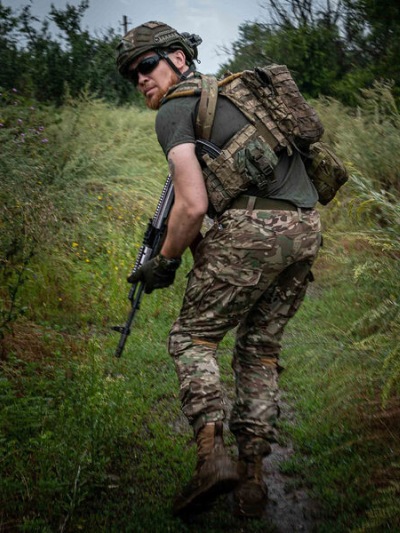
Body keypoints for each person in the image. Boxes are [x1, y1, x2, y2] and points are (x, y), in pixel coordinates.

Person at [115, 21, 321, 518]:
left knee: (192, 338)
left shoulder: (175, 109)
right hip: (307, 227)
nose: (141, 78)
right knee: (259, 348)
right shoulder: (235, 95)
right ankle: (252, 482)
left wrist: (163, 263)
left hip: (253, 228)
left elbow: (190, 206)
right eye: (130, 75)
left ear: (178, 60)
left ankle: (212, 460)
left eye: (147, 65)